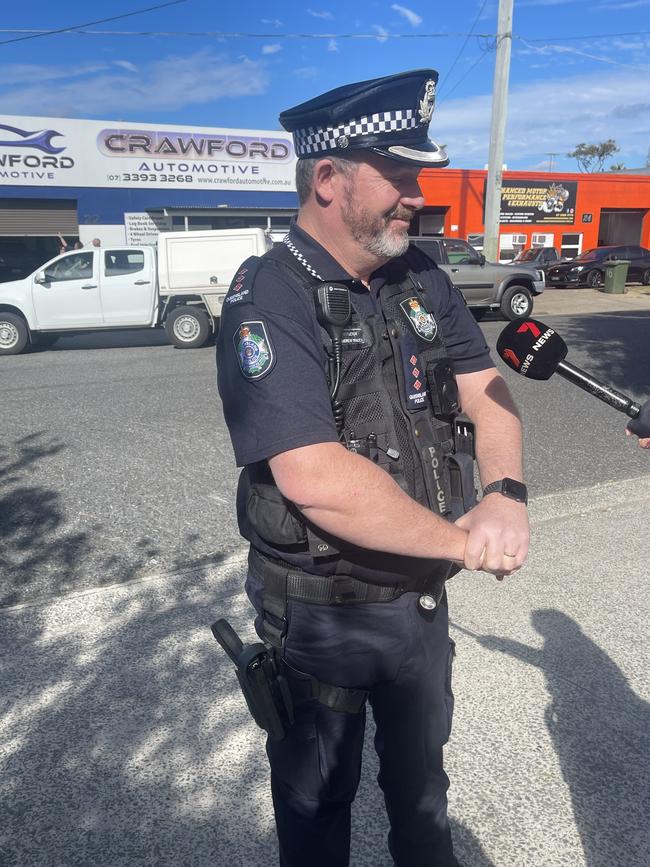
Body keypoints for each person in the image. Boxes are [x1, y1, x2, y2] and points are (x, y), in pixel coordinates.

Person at [216, 69, 529, 867]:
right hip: (322, 618)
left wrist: (504, 494)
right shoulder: (268, 296)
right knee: (317, 813)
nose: (418, 194)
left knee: (424, 803)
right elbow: (316, 476)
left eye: (418, 175)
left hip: (417, 610)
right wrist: (464, 543)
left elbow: (488, 393)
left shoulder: (417, 273)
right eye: (400, 174)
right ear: (328, 178)